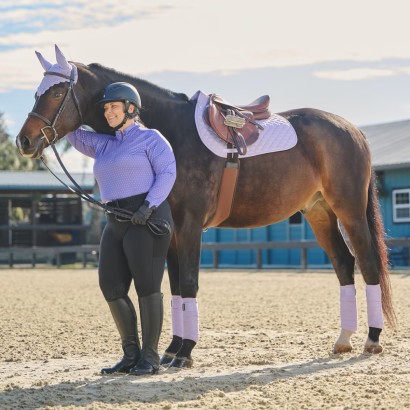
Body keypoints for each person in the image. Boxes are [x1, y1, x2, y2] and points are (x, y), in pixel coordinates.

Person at [65, 82, 177, 376]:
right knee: (111, 286)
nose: (108, 112)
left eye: (113, 106)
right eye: (105, 108)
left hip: (147, 218)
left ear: (131, 108)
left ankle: (150, 357)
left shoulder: (151, 139)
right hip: (115, 220)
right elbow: (72, 132)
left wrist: (148, 206)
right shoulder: (104, 143)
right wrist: (59, 104)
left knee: (147, 286)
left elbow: (167, 173)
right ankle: (131, 355)